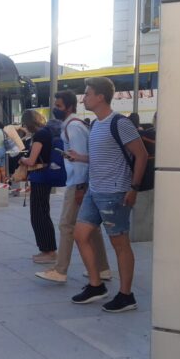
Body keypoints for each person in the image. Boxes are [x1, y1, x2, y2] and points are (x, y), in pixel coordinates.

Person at [67, 77, 148, 313]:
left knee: (119, 244)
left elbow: (141, 155)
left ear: (100, 96)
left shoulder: (119, 123)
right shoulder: (96, 124)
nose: (84, 98)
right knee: (80, 235)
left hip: (115, 192)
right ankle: (96, 285)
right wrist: (80, 158)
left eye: (88, 93)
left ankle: (126, 295)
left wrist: (133, 188)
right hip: (95, 190)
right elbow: (103, 156)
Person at [35, 90, 111, 283]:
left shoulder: (73, 127)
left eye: (59, 106)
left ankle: (60, 270)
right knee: (91, 228)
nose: (55, 109)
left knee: (66, 225)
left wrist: (79, 188)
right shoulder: (74, 125)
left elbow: (81, 160)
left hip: (78, 183)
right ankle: (102, 269)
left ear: (69, 107)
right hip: (83, 182)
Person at [18, 110, 58, 264]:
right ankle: (47, 249)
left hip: (40, 177)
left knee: (39, 215)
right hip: (44, 177)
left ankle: (48, 251)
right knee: (42, 213)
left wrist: (22, 158)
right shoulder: (46, 132)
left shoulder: (40, 135)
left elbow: (32, 160)